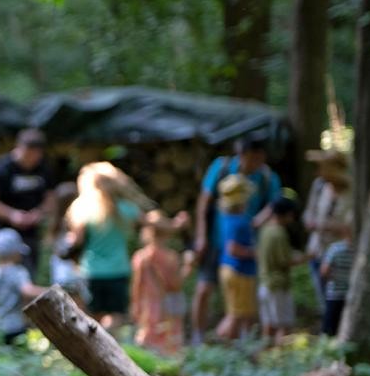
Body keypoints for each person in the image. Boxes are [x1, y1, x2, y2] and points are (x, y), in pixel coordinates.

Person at [191, 138, 282, 341]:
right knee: (205, 289)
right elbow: (204, 202)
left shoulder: (267, 178)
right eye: (253, 159)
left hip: (244, 250)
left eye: (261, 159)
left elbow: (273, 205)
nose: (257, 164)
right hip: (216, 243)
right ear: (242, 155)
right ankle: (199, 338)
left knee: (242, 304)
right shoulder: (221, 168)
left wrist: (256, 224)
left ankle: (238, 342)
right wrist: (201, 236)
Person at [63, 162, 146, 329]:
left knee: (93, 316)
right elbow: (146, 220)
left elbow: (75, 241)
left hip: (92, 270)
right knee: (116, 315)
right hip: (118, 269)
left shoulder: (84, 208)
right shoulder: (125, 208)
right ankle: (110, 337)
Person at [0, 128, 56, 276]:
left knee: (29, 272)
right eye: (29, 154)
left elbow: (51, 197)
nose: (32, 159)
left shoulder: (43, 168)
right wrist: (11, 215)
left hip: (31, 233)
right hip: (5, 231)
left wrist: (38, 213)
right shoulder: (3, 167)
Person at [130, 210, 189, 354]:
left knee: (148, 343)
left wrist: (135, 305)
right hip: (169, 306)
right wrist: (188, 268)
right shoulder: (171, 258)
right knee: (169, 344)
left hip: (150, 306)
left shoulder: (141, 257)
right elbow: (175, 285)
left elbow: (137, 285)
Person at [302, 149, 352, 309]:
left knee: (339, 301)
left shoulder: (352, 191)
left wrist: (326, 226)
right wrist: (310, 222)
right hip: (317, 251)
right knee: (324, 300)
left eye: (323, 168)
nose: (320, 173)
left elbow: (351, 226)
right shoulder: (319, 186)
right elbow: (309, 212)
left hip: (340, 256)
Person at [214, 174, 259, 340]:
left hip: (230, 268)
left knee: (239, 313)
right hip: (239, 271)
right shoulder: (238, 221)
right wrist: (254, 252)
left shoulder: (228, 218)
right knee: (236, 314)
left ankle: (237, 345)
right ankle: (223, 342)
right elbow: (233, 249)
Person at [258, 197, 302, 343]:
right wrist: (306, 257)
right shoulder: (279, 233)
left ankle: (266, 352)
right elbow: (285, 261)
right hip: (278, 285)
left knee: (268, 326)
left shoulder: (265, 230)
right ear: (287, 214)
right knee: (284, 326)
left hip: (265, 283)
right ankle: (280, 354)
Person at [320, 232, 355, 337]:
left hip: (334, 293)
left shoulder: (335, 248)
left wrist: (333, 278)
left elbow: (324, 271)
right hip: (351, 295)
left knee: (329, 330)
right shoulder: (360, 250)